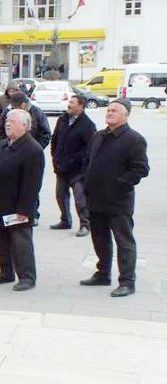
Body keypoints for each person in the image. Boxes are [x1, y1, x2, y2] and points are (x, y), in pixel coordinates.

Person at [81, 98, 149, 297]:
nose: (109, 113)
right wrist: (86, 181)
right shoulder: (99, 136)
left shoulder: (134, 139)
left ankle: (127, 281)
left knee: (124, 241)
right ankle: (103, 273)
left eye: (114, 111)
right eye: (108, 110)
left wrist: (120, 183)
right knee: (100, 238)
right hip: (95, 198)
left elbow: (141, 169)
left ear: (126, 115)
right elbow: (88, 160)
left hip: (118, 201)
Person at [0, 109, 45, 291]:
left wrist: (24, 210)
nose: (7, 124)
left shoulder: (32, 150)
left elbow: (32, 185)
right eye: (7, 121)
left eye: (13, 121)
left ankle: (27, 276)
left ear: (25, 126)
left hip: (18, 205)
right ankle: (6, 272)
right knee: (1, 239)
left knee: (20, 242)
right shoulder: (3, 145)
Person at [0, 91, 51, 225]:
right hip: (10, 153)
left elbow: (46, 134)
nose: (15, 109)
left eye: (18, 107)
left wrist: (35, 149)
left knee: (30, 185)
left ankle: (33, 214)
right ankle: (11, 216)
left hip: (30, 153)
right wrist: (5, 148)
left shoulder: (37, 112)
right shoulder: (8, 113)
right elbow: (0, 132)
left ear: (24, 104)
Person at [49, 94, 96, 237]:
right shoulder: (62, 119)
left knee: (80, 199)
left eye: (72, 102)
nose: (69, 104)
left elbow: (90, 148)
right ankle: (65, 220)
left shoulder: (87, 125)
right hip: (61, 168)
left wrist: (77, 161)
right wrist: (55, 156)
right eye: (69, 101)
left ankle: (85, 224)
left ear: (81, 107)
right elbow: (55, 139)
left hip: (78, 170)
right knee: (60, 195)